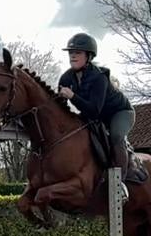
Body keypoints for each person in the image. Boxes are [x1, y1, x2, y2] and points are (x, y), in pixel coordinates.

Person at [56, 32, 135, 200]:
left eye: (77, 52)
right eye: (71, 53)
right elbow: (59, 106)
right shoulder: (66, 77)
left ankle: (120, 184)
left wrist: (72, 97)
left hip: (120, 112)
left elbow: (94, 111)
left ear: (89, 56)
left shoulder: (99, 78)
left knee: (116, 135)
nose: (73, 56)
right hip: (94, 114)